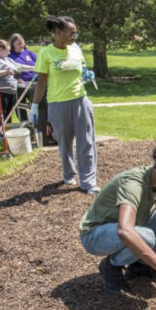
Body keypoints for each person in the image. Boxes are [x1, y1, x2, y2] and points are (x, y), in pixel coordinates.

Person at [79, 140, 156, 300]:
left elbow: (148, 226)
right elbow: (125, 230)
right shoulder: (134, 184)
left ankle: (141, 266)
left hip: (133, 228)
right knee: (146, 236)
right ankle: (112, 266)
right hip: (95, 235)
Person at [29, 16, 99, 194]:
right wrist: (35, 105)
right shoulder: (46, 53)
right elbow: (42, 82)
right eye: (71, 33)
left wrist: (86, 74)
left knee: (87, 142)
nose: (74, 37)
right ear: (58, 33)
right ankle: (69, 174)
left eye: (76, 33)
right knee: (64, 141)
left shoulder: (76, 49)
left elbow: (81, 68)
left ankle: (88, 182)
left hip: (80, 99)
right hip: (58, 103)